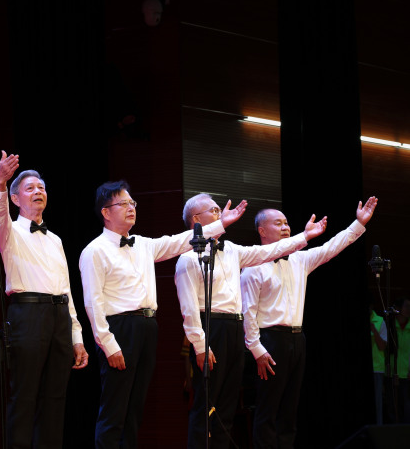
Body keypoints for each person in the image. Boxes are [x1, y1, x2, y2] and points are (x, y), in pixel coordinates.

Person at [79, 181, 247, 449]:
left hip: (147, 326)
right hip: (119, 329)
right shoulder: (94, 250)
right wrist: (108, 344)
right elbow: (93, 302)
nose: (131, 208)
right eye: (123, 203)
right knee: (114, 409)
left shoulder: (143, 244)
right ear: (106, 212)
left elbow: (179, 241)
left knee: (135, 409)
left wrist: (221, 224)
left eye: (132, 203)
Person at [175, 193, 327, 449]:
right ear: (196, 219)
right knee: (206, 405)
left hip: (235, 328)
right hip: (211, 327)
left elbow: (269, 250)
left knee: (227, 407)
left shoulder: (233, 250)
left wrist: (304, 237)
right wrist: (200, 345)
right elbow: (188, 308)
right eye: (213, 210)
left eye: (218, 209)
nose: (219, 213)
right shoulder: (188, 258)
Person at [241, 197, 377, 448]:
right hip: (270, 340)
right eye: (278, 223)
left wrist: (358, 224)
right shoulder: (253, 267)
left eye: (286, 223)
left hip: (297, 339)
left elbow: (330, 248)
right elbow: (247, 312)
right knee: (268, 409)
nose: (285, 227)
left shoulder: (299, 260)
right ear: (262, 231)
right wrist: (257, 349)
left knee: (289, 410)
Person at [0, 151, 89, 448]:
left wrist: (76, 337)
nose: (38, 192)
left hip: (59, 317)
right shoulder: (9, 231)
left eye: (42, 187)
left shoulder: (56, 239)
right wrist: (0, 182)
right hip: (28, 316)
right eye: (30, 188)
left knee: (55, 398)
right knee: (24, 396)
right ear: (15, 198)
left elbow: (66, 290)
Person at [379, 296, 410, 424]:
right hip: (391, 373)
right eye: (406, 306)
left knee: (406, 408)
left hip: (407, 375)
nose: (409, 309)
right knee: (392, 407)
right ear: (397, 308)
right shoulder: (389, 326)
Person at [370, 301, 387, 425]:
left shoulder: (380, 321)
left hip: (376, 369)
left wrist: (374, 330)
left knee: (377, 404)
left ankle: (378, 429)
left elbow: (382, 346)